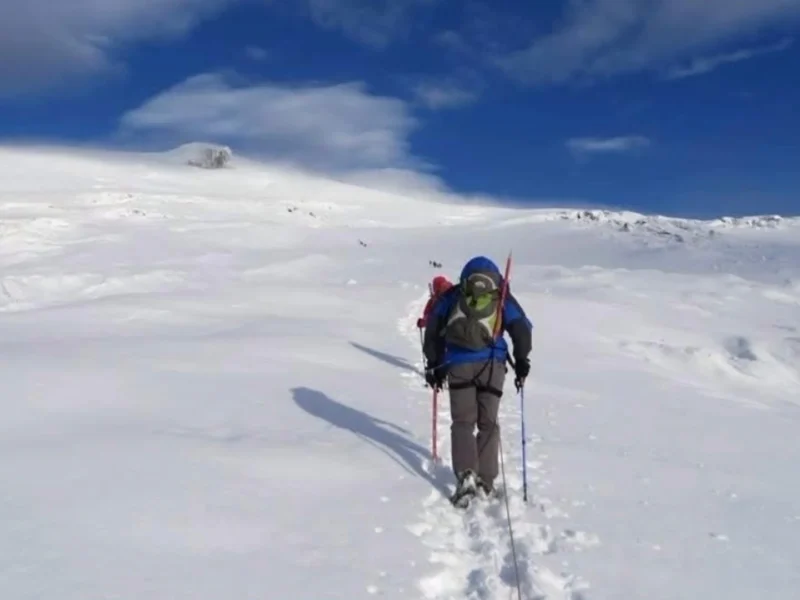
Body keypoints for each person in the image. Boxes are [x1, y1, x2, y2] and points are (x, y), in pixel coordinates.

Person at [422, 255, 532, 505]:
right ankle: (486, 480)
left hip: (458, 363)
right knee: (488, 423)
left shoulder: (454, 294)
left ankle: (466, 476)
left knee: (462, 421)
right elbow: (521, 328)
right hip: (493, 364)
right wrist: (521, 361)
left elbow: (433, 328)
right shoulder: (500, 295)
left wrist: (434, 363)